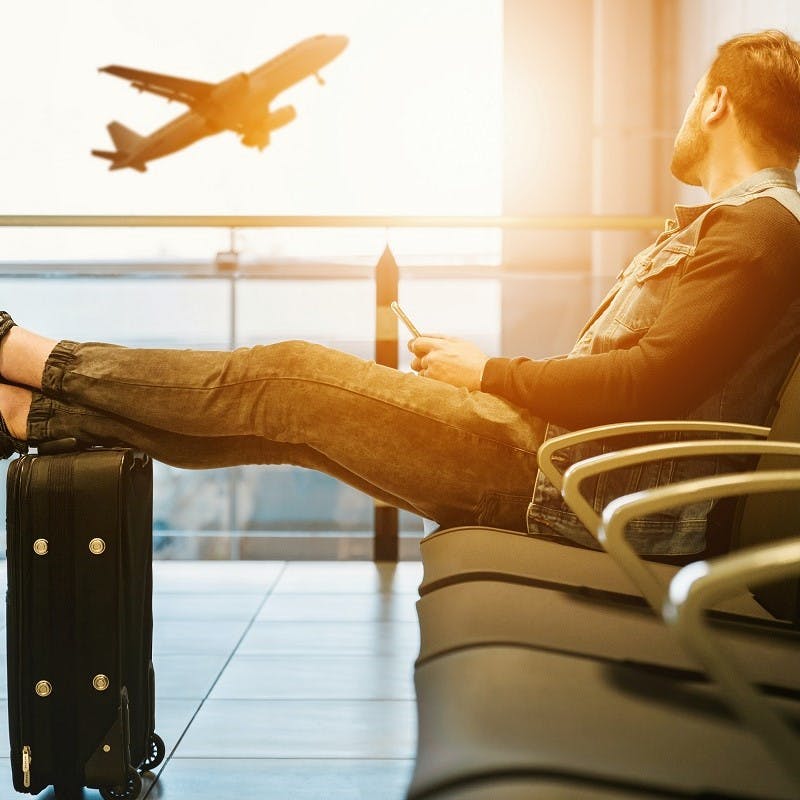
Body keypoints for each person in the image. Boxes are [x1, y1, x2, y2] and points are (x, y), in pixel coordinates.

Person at [1, 30, 800, 559]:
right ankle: (26, 412)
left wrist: (485, 374)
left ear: (719, 102)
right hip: (563, 465)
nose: (686, 115)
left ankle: (28, 357)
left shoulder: (758, 232)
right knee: (287, 425)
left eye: (696, 96)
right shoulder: (746, 228)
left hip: (562, 479)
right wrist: (489, 378)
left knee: (284, 376)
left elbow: (646, 384)